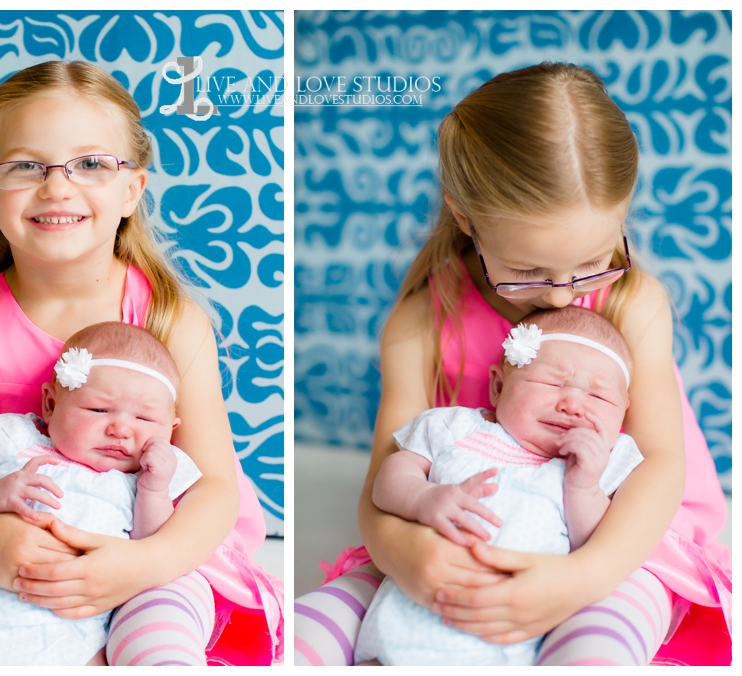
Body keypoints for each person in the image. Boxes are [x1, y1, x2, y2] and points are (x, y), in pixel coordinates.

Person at [0, 60, 282, 667]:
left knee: (154, 632)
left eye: (92, 164)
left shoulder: (168, 318)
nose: (56, 186)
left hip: (153, 546)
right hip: (3, 547)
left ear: (133, 188)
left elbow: (215, 487)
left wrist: (135, 567)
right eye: (26, 166)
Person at [294, 62, 730, 666]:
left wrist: (581, 578)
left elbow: (661, 463)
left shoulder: (633, 302)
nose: (560, 295)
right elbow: (384, 484)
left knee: (601, 638)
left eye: (592, 261)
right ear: (466, 217)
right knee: (319, 623)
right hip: (451, 528)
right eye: (527, 270)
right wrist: (409, 558)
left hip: (619, 535)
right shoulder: (421, 324)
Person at [355, 307, 645, 665]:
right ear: (498, 386)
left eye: (598, 398)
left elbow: (592, 544)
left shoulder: (601, 466)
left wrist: (584, 488)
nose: (573, 405)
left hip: (514, 630)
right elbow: (389, 478)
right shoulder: (456, 428)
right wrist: (422, 497)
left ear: (623, 413)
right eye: (553, 383)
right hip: (415, 610)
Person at [0, 323, 203, 665]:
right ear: (51, 405)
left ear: (170, 430)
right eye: (99, 410)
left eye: (145, 418)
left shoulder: (142, 479)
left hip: (82, 636)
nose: (121, 429)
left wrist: (154, 490)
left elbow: (150, 541)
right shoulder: (16, 441)